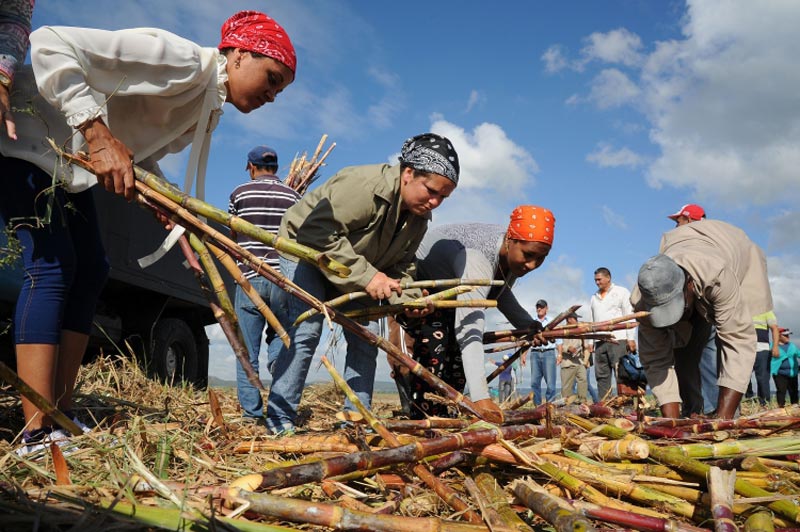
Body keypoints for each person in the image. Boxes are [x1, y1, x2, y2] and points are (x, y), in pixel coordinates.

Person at [0, 9, 296, 454]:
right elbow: (49, 43)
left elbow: (138, 151)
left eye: (280, 89)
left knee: (93, 269)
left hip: (67, 164)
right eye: (271, 78)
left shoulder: (207, 106)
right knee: (52, 267)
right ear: (237, 54)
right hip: (29, 141)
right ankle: (37, 430)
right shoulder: (182, 60)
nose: (272, 94)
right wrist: (97, 135)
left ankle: (61, 411)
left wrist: (164, 198)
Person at [265, 133, 460, 434]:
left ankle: (356, 420)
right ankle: (279, 420)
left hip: (352, 266)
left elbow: (402, 266)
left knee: (366, 337)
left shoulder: (419, 219)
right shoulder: (363, 187)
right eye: (431, 191)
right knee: (307, 328)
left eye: (443, 198)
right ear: (408, 173)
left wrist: (408, 299)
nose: (435, 202)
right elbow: (315, 233)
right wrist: (369, 277)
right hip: (304, 250)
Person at [397, 206, 554, 422]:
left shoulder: (509, 258)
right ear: (510, 240)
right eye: (528, 255)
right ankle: (423, 417)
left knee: (456, 361)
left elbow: (499, 292)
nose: (532, 265)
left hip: (452, 296)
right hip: (421, 291)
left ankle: (450, 412)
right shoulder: (478, 259)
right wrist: (482, 398)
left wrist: (528, 325)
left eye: (541, 258)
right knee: (436, 344)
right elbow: (470, 331)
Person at [631, 219, 774, 419]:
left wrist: (722, 421)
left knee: (724, 341)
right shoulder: (642, 301)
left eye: (676, 306)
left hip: (734, 253)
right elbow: (656, 360)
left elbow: (738, 342)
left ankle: (727, 411)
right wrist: (671, 424)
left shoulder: (717, 276)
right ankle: (693, 411)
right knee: (682, 351)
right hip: (688, 256)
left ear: (689, 284)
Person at [228, 145, 300, 422]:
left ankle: (252, 415)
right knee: (282, 340)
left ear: (251, 166)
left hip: (249, 279)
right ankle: (278, 372)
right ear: (277, 168)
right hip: (282, 280)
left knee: (246, 352)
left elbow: (233, 234)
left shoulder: (240, 193)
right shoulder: (294, 196)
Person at [667, 202, 718, 414]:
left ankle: (697, 410)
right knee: (710, 363)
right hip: (711, 310)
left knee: (687, 362)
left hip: (696, 312)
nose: (675, 226)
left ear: (688, 220)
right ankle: (715, 410)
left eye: (678, 221)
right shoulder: (714, 241)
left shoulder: (686, 243)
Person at [589, 267, 636, 401]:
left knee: (621, 374)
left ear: (608, 278)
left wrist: (631, 338)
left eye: (599, 279)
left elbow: (629, 315)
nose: (597, 283)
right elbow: (592, 320)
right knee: (601, 376)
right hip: (599, 341)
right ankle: (605, 407)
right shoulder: (594, 297)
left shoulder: (621, 292)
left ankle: (626, 408)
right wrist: (590, 342)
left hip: (618, 339)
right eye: (595, 280)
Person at [523, 299, 562, 405]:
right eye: (537, 307)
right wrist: (524, 354)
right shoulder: (532, 322)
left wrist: (560, 354)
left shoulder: (552, 322)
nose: (539, 309)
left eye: (541, 307)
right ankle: (537, 406)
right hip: (535, 353)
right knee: (534, 383)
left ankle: (550, 406)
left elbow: (558, 340)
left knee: (550, 383)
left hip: (549, 353)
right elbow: (528, 339)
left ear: (546, 308)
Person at [559, 312, 590, 403]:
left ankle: (582, 401)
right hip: (567, 363)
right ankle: (566, 405)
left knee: (583, 380)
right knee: (566, 388)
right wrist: (567, 348)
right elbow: (558, 345)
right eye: (574, 319)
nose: (576, 321)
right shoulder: (560, 330)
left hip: (579, 362)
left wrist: (585, 360)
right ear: (569, 319)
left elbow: (586, 346)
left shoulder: (580, 330)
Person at [752, 310, 780, 407]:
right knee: (742, 378)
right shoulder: (743, 307)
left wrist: (775, 346)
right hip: (744, 349)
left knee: (762, 379)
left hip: (762, 349)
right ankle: (749, 399)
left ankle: (765, 404)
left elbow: (775, 328)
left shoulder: (766, 311)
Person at [771, 328, 799, 407]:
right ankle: (780, 408)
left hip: (793, 373)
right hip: (780, 373)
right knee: (781, 391)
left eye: (788, 335)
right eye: (785, 335)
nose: (788, 337)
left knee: (794, 391)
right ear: (779, 336)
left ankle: (795, 407)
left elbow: (799, 354)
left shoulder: (792, 346)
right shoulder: (773, 346)